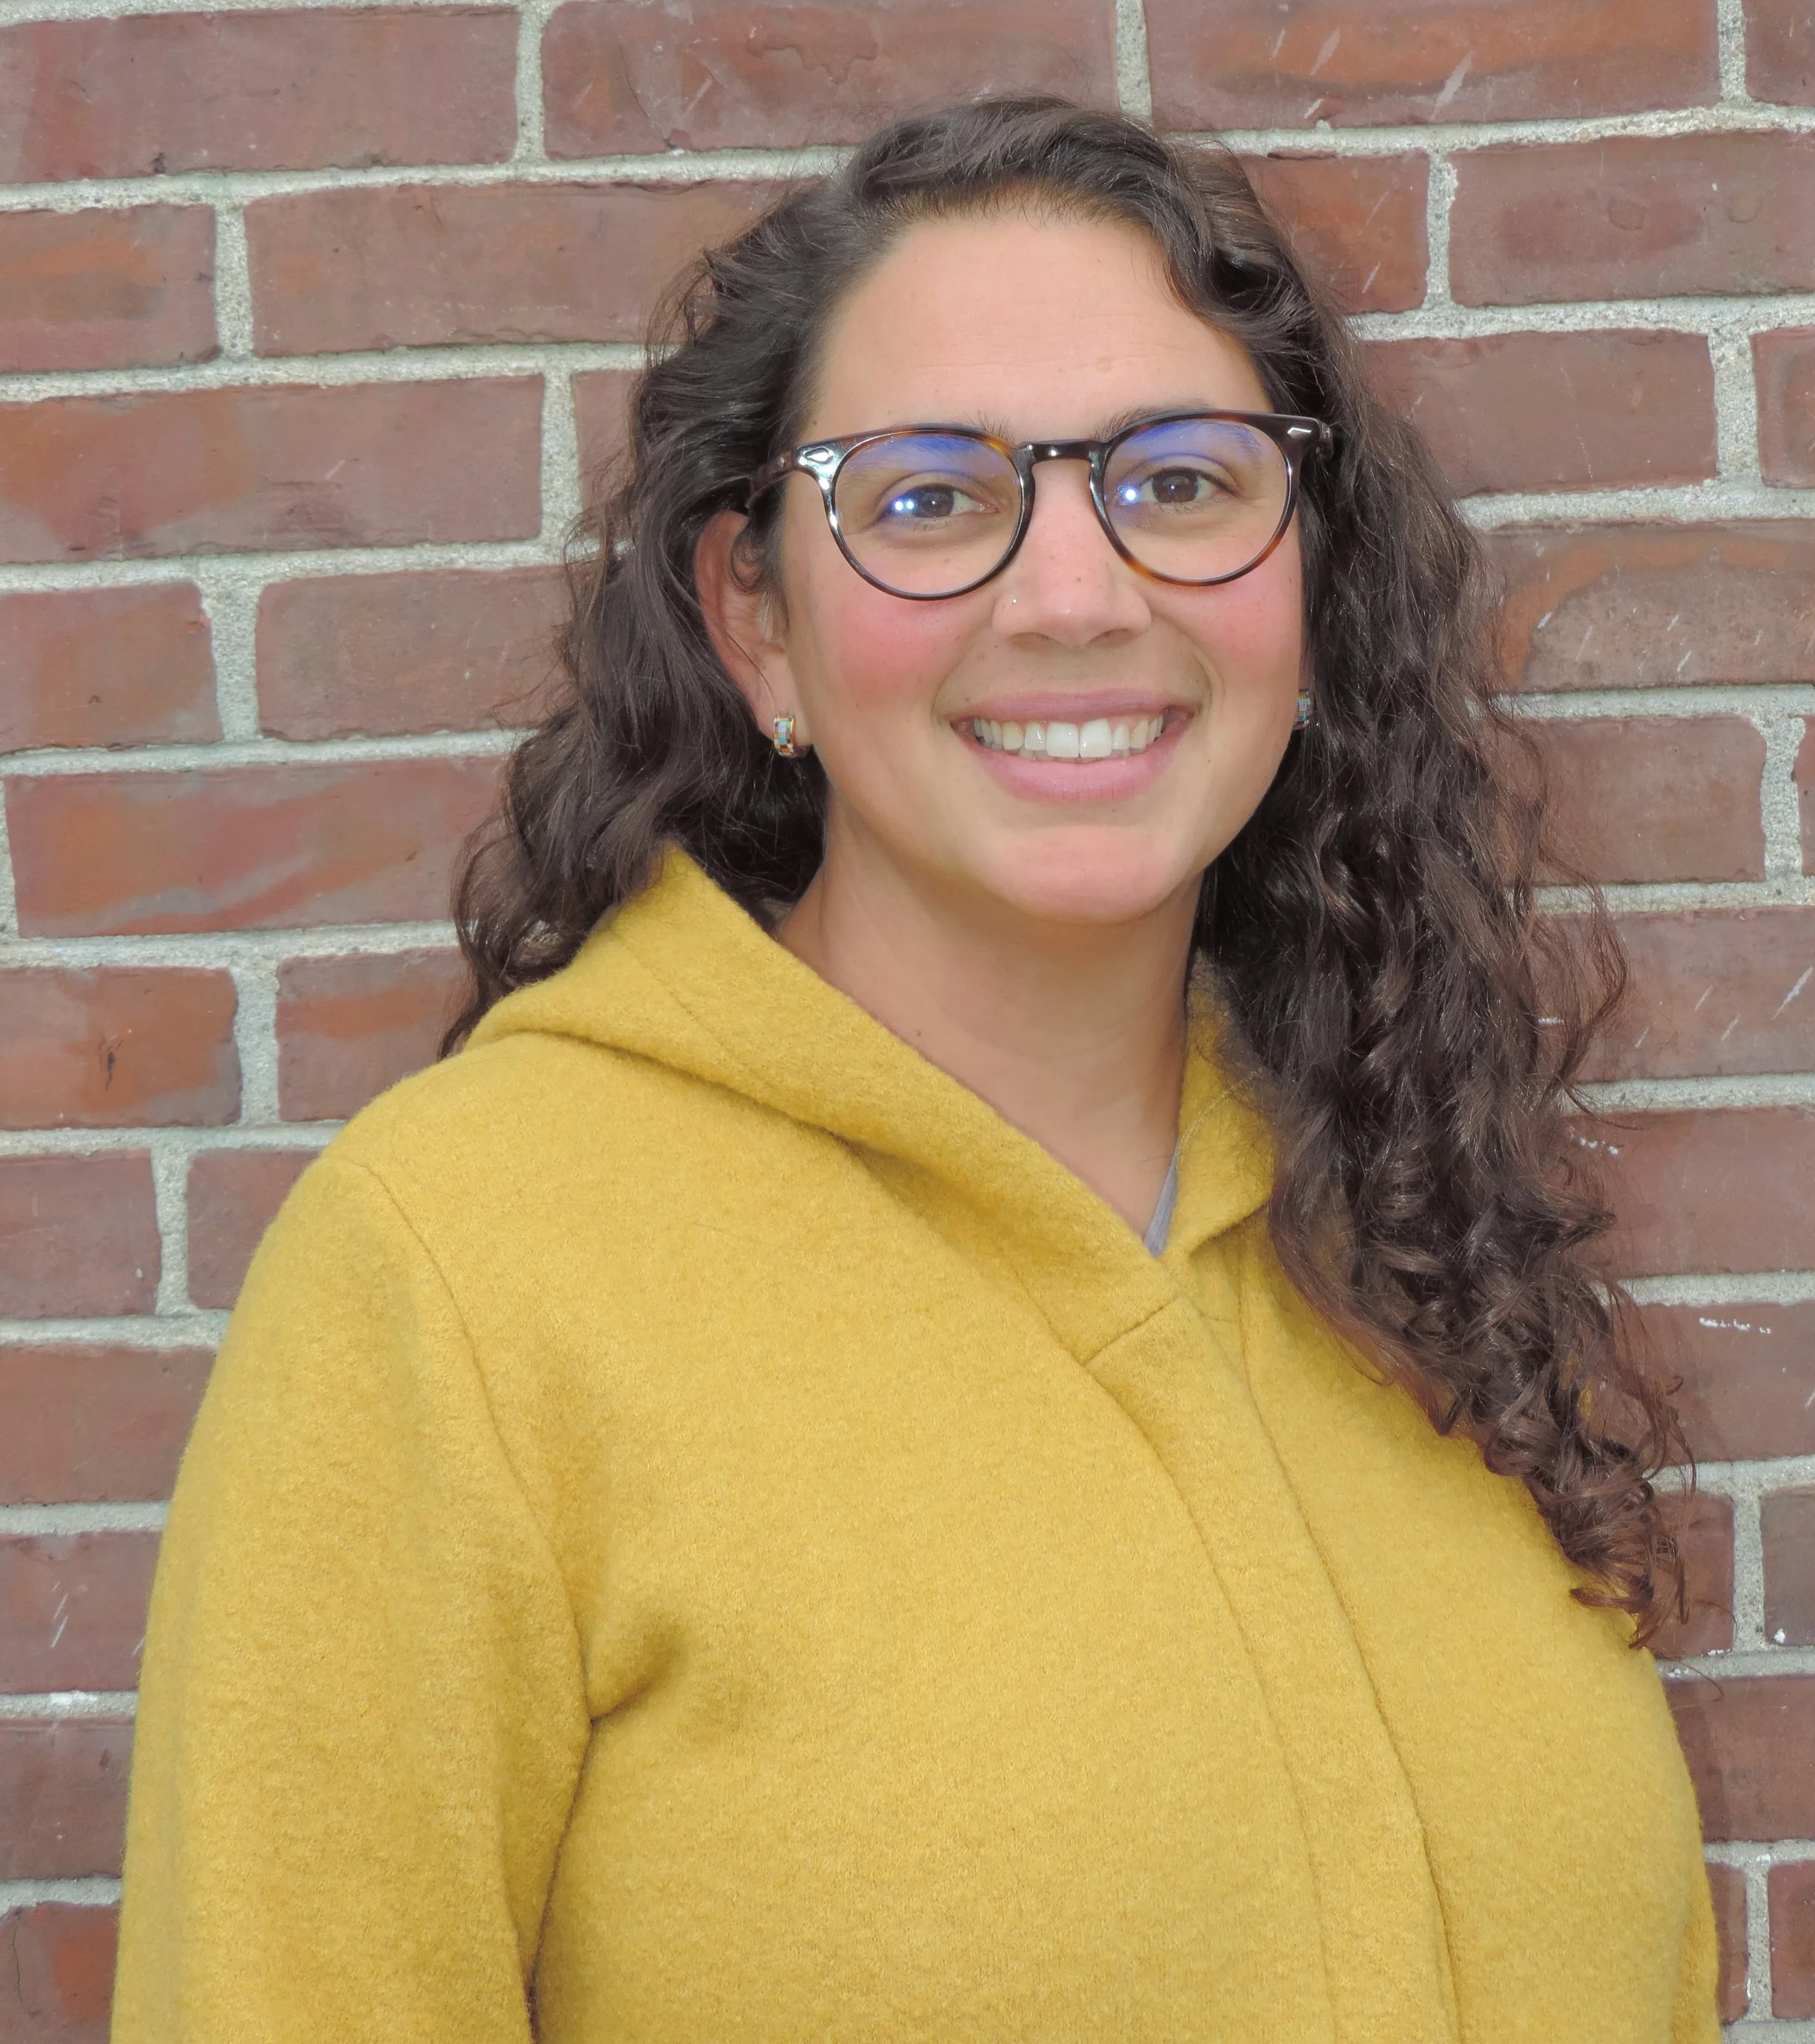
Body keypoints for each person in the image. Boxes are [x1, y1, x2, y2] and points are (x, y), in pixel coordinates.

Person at [113, 100, 1719, 2043]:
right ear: (756, 622)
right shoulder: (462, 1273)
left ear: (1303, 588)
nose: (1072, 593)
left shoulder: (1403, 1246)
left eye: (1182, 480)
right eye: (931, 496)